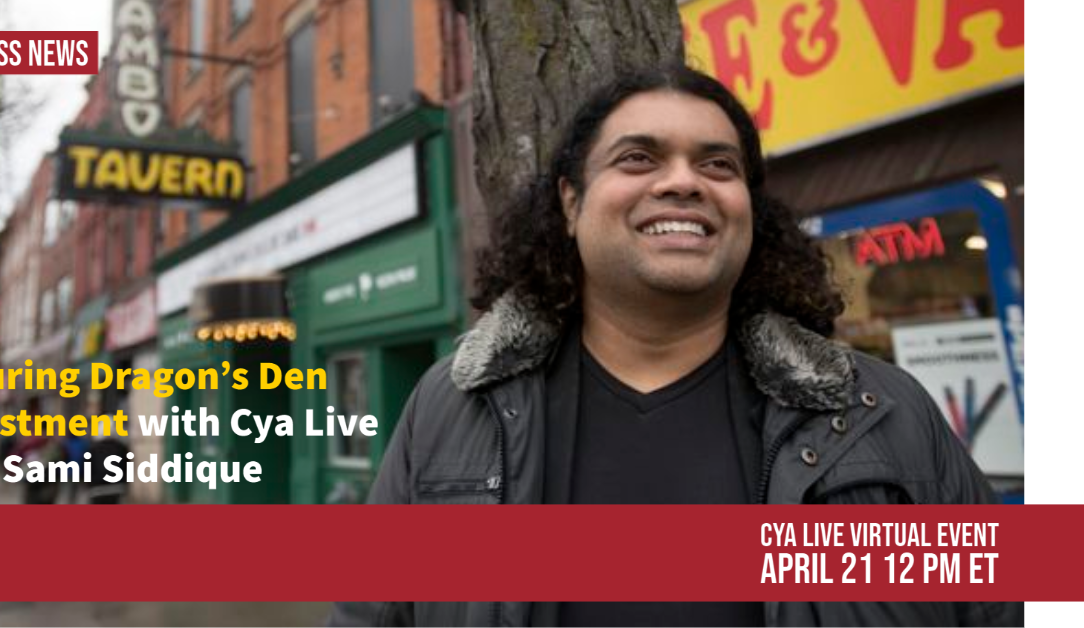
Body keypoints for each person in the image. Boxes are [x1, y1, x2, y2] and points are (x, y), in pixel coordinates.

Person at [327, 64, 1021, 627]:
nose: (684, 181)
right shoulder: (451, 409)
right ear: (570, 203)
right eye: (639, 157)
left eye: (718, 165)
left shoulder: (883, 414)